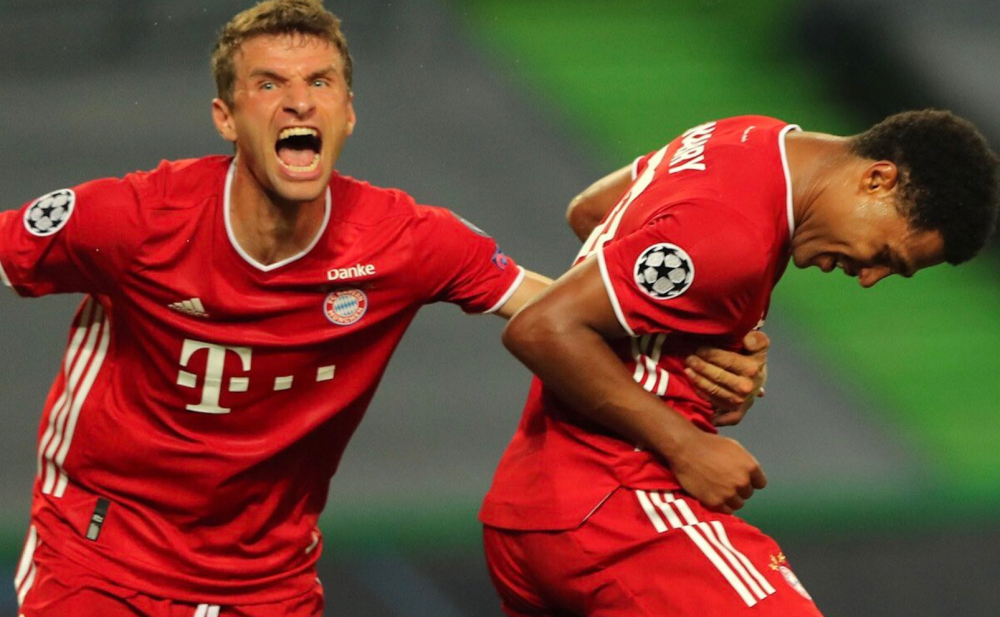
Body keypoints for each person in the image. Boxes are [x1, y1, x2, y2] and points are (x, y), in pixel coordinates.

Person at [0, 1, 766, 615]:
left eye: (321, 81)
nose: (298, 100)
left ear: (347, 113)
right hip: (99, 558)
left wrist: (697, 354)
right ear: (225, 117)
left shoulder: (406, 240)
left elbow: (565, 310)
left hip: (264, 583)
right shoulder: (134, 219)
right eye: (268, 84)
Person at [480, 110, 1000, 616]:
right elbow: (542, 328)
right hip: (622, 512)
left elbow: (596, 214)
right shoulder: (732, 239)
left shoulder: (747, 136)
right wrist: (686, 445)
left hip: (530, 511)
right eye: (886, 255)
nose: (869, 278)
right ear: (878, 179)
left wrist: (704, 333)